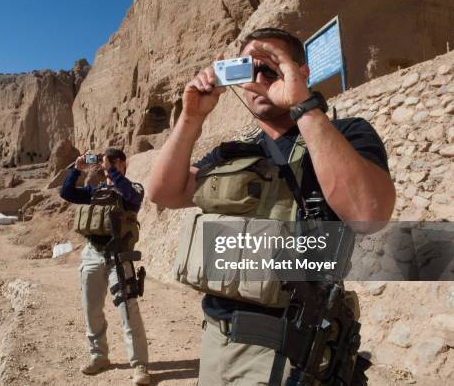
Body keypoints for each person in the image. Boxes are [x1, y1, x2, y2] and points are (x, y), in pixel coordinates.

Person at [147, 28, 396, 385]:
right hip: (218, 343)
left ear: (302, 73)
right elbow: (164, 193)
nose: (260, 80)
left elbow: (368, 213)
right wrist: (191, 118)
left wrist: (303, 104)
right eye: (249, 72)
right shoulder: (234, 153)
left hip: (293, 347)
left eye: (271, 68)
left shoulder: (346, 134)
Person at [60, 148, 150, 385]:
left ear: (122, 164)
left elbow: (132, 197)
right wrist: (75, 170)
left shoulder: (133, 190)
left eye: (112, 162)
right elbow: (67, 193)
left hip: (119, 255)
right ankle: (99, 357)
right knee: (91, 308)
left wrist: (112, 171)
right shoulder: (96, 191)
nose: (105, 165)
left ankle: (139, 365)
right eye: (104, 162)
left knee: (128, 310)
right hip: (92, 253)